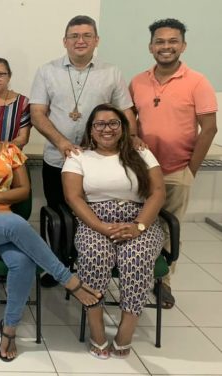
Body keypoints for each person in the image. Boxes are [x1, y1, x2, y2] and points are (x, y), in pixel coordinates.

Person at [0, 99, 102, 362]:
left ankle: (9, 328)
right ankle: (69, 280)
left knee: (23, 262)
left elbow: (23, 190)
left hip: (4, 224)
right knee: (16, 223)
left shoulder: (11, 151)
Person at [29, 15, 136, 288]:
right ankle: (58, 267)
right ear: (65, 41)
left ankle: (90, 262)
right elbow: (38, 114)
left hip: (98, 161)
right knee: (58, 215)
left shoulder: (111, 73)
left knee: (91, 213)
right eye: (74, 36)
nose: (80, 40)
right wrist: (63, 143)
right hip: (58, 158)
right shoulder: (46, 71)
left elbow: (126, 113)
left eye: (86, 35)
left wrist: (133, 139)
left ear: (96, 40)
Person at [62, 103, 166, 359]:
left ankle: (125, 331)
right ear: (91, 130)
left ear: (123, 128)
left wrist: (138, 226)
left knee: (137, 258)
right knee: (95, 257)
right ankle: (97, 329)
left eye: (113, 123)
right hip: (94, 222)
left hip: (139, 221)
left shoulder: (141, 153)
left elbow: (158, 192)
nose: (106, 129)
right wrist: (101, 227)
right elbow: (74, 198)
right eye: (100, 124)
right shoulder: (78, 156)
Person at [129, 18, 218, 309]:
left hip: (178, 168)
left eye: (172, 41)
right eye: (160, 41)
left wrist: (190, 168)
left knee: (170, 227)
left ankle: (163, 282)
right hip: (142, 170)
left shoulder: (197, 82)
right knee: (141, 222)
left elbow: (210, 128)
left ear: (183, 45)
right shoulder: (138, 81)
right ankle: (136, 272)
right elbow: (129, 118)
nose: (166, 47)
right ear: (151, 46)